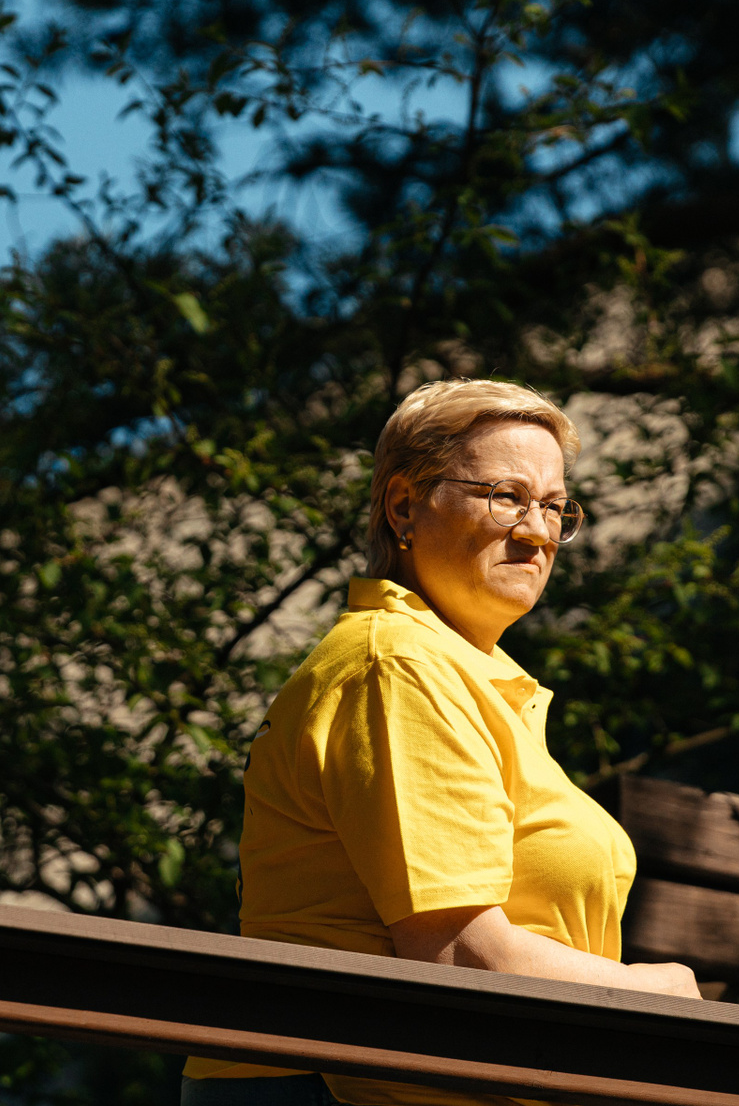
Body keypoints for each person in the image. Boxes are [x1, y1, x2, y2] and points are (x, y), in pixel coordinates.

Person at [180, 379, 699, 1106]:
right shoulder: (399, 667)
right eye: (506, 497)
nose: (537, 532)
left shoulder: (466, 676)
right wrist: (657, 993)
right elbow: (459, 958)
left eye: (554, 507)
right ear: (403, 506)